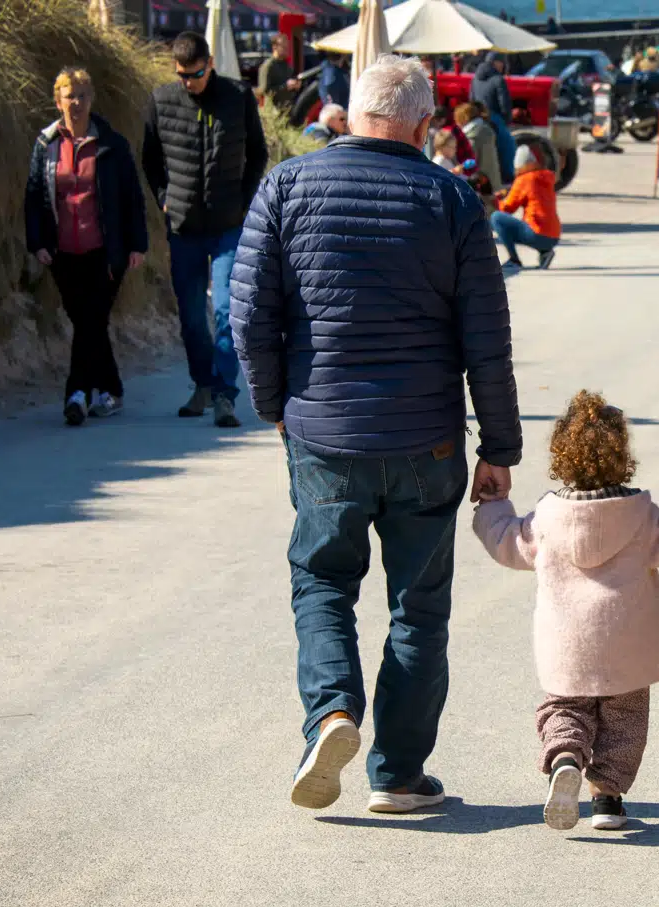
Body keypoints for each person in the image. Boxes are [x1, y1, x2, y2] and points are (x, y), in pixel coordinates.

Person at [229, 54, 521, 815]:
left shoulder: (286, 186)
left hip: (323, 434)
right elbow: (486, 337)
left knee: (323, 580)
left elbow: (248, 314)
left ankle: (332, 713)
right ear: (424, 126)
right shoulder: (452, 199)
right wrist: (499, 446)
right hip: (425, 440)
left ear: (349, 113)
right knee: (418, 607)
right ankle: (396, 773)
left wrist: (275, 405)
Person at [473, 391, 659, 832]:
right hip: (629, 647)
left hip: (567, 647)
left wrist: (493, 504)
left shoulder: (547, 519)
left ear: (561, 458)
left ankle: (566, 757)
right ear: (623, 457)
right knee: (624, 723)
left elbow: (507, 544)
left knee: (565, 709)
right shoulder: (640, 515)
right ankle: (607, 799)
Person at [143, 31, 267, 428]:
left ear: (209, 64)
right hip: (183, 226)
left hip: (229, 225)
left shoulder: (239, 97)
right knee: (192, 315)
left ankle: (225, 394)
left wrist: (245, 200)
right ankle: (202, 383)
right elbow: (149, 157)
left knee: (228, 310)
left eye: (194, 74)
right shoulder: (161, 101)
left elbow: (258, 153)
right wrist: (163, 194)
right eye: (181, 75)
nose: (188, 83)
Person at [25, 67, 147, 427]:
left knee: (91, 319)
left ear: (91, 99)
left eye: (82, 95)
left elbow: (132, 198)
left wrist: (136, 244)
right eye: (69, 95)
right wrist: (38, 243)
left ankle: (76, 393)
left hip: (105, 252)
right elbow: (33, 197)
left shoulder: (112, 144)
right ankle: (111, 389)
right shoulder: (46, 145)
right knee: (87, 322)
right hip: (62, 253)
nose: (76, 102)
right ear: (57, 100)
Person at [492, 144, 561, 270]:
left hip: (537, 234)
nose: (517, 171)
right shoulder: (546, 177)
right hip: (554, 236)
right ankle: (545, 252)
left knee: (496, 218)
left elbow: (508, 208)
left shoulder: (524, 179)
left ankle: (514, 260)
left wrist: (496, 200)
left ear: (525, 165)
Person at [457, 101, 505, 194]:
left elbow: (469, 163)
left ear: (463, 119)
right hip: (492, 180)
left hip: (480, 185)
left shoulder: (472, 136)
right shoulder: (486, 129)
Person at [257, 33, 300, 111]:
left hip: (287, 111)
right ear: (275, 47)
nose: (287, 49)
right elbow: (264, 91)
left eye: (287, 47)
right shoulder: (268, 66)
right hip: (273, 113)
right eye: (284, 47)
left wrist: (295, 86)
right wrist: (285, 86)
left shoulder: (287, 66)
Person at [471, 52, 512, 123]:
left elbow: (471, 99)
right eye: (501, 62)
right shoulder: (499, 80)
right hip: (494, 119)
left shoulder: (474, 79)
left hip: (479, 118)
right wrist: (507, 120)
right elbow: (504, 103)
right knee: (507, 134)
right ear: (495, 63)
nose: (503, 65)